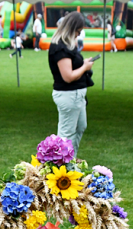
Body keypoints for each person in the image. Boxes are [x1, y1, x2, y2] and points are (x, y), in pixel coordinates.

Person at [48, 11, 94, 156]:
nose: (78, 35)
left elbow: (72, 66)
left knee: (80, 127)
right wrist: (85, 67)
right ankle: (60, 167)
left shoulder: (68, 45)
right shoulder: (60, 47)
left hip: (76, 94)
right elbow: (68, 76)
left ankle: (70, 161)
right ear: (71, 28)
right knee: (65, 135)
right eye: (78, 31)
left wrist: (83, 63)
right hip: (68, 95)